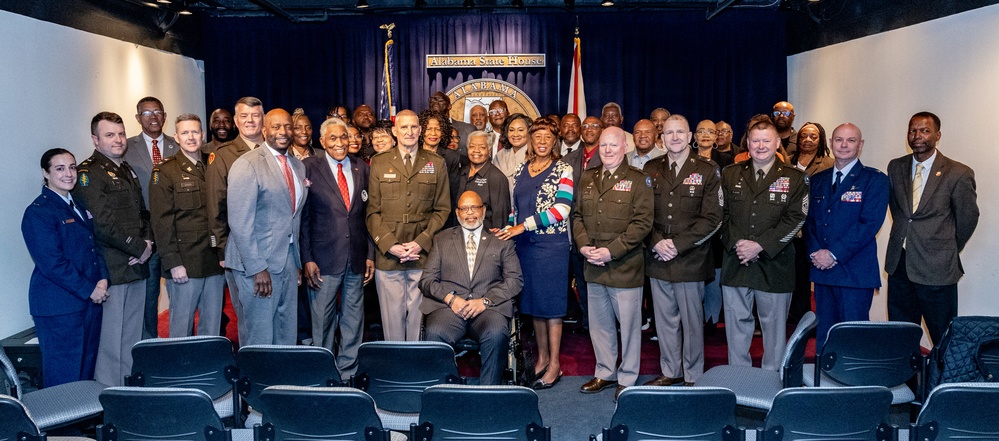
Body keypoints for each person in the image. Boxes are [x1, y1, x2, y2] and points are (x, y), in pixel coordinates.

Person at [720, 120, 808, 371]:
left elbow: (796, 218)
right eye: (755, 141)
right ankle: (739, 376)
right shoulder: (730, 174)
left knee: (774, 328)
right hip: (736, 260)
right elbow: (720, 214)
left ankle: (772, 379)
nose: (760, 146)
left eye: (766, 141)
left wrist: (759, 245)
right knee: (736, 325)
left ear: (777, 143)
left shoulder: (795, 178)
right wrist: (739, 244)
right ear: (747, 143)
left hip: (775, 262)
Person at [572, 127, 653, 400]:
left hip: (624, 265)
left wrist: (611, 251)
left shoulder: (638, 179)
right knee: (599, 324)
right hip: (593, 263)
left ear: (625, 147)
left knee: (628, 327)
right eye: (604, 145)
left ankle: (627, 376)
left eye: (613, 145)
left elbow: (642, 223)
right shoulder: (588, 176)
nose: (607, 150)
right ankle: (605, 372)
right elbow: (578, 216)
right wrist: (583, 245)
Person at [72, 112, 153, 386]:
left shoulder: (126, 169)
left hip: (137, 264)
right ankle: (108, 394)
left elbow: (143, 213)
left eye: (120, 134)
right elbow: (102, 224)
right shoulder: (88, 174)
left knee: (132, 338)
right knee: (111, 341)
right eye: (109, 135)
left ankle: (128, 390)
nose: (118, 140)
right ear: (95, 140)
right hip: (113, 268)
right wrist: (138, 247)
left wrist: (148, 244)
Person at [885, 111, 979, 345]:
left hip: (937, 269)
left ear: (938, 135)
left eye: (925, 130)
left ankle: (940, 372)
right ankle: (908, 371)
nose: (917, 135)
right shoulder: (896, 167)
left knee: (942, 337)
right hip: (900, 265)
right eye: (912, 130)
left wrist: (945, 247)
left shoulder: (958, 173)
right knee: (900, 335)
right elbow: (900, 212)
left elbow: (968, 218)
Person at [643, 115, 722, 386]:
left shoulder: (707, 169)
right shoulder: (651, 168)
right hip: (658, 257)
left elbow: (713, 218)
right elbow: (642, 213)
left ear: (690, 137)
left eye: (680, 132)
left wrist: (677, 245)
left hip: (690, 258)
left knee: (691, 322)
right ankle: (671, 371)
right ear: (662, 138)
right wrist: (656, 242)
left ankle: (693, 375)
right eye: (669, 133)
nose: (674, 137)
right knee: (664, 321)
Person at [496, 117, 573, 390]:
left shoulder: (563, 169)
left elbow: (561, 210)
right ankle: (542, 359)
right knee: (535, 307)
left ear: (555, 142)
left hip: (551, 247)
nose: (542, 141)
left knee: (551, 308)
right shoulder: (521, 169)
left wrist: (522, 226)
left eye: (547, 137)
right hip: (525, 247)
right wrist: (507, 228)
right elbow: (515, 210)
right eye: (537, 136)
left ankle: (555, 365)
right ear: (531, 140)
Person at [22, 148, 108, 387]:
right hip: (60, 306)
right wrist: (90, 289)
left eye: (72, 167)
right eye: (60, 169)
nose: (69, 174)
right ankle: (63, 415)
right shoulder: (38, 212)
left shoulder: (76, 205)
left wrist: (102, 278)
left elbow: (93, 245)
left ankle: (82, 413)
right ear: (45, 173)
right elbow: (52, 263)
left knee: (85, 371)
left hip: (87, 302)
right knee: (64, 375)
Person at [421, 191, 523, 385]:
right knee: (435, 333)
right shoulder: (441, 240)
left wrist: (485, 301)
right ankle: (445, 392)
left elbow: (515, 280)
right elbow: (427, 280)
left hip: (488, 309)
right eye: (464, 208)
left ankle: (487, 394)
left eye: (474, 207)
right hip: (450, 309)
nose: (470, 213)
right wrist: (451, 299)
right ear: (457, 212)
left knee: (496, 333)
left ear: (483, 210)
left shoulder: (501, 242)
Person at [226, 108, 308, 345]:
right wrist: (257, 268)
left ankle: (282, 371)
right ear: (264, 131)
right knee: (259, 337)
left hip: (287, 261)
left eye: (288, 126)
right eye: (276, 127)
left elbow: (293, 217)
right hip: (256, 264)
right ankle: (257, 373)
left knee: (286, 333)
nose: (283, 132)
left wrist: (296, 262)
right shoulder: (247, 164)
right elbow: (240, 223)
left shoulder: (297, 166)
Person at [366, 109, 450, 341]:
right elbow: (372, 212)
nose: (409, 132)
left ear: (420, 130)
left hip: (422, 254)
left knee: (417, 321)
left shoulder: (436, 163)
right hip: (389, 255)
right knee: (391, 323)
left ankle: (415, 362)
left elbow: (442, 209)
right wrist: (390, 245)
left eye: (414, 127)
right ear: (395, 131)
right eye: (404, 127)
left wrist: (420, 242)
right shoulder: (379, 162)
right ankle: (395, 362)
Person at [301, 117, 374, 379]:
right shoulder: (309, 167)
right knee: (322, 320)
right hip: (323, 259)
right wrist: (307, 258)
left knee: (353, 318)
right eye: (333, 138)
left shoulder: (360, 167)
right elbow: (303, 218)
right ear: (322, 141)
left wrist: (370, 254)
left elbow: (368, 215)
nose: (340, 143)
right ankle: (323, 373)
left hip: (356, 255)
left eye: (344, 137)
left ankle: (347, 373)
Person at [806, 123, 889, 350]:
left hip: (854, 273)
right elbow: (809, 221)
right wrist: (815, 253)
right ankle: (823, 373)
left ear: (860, 145)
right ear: (830, 143)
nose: (844, 145)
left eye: (851, 140)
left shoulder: (874, 180)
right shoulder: (818, 180)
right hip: (823, 272)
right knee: (824, 337)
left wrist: (833, 254)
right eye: (839, 139)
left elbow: (869, 224)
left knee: (853, 338)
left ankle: (853, 376)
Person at [148, 114, 225, 338]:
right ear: (176, 137)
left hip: (214, 260)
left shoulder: (214, 164)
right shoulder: (165, 171)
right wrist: (173, 262)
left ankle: (209, 361)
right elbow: (161, 222)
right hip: (185, 263)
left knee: (212, 326)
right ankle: (181, 362)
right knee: (181, 327)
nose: (191, 137)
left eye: (195, 132)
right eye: (185, 133)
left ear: (202, 135)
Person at [206, 96, 266, 340]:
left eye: (255, 115)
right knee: (249, 316)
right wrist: (221, 248)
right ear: (236, 121)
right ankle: (251, 360)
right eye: (244, 116)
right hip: (240, 249)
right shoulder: (223, 155)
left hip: (275, 247)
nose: (250, 121)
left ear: (263, 119)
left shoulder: (276, 149)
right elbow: (216, 205)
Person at [124, 96, 179, 340]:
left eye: (157, 112)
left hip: (177, 234)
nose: (153, 117)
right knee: (149, 295)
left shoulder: (178, 145)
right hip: (146, 235)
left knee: (182, 294)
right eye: (146, 113)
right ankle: (150, 344)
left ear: (164, 116)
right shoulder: (126, 148)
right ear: (138, 118)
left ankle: (183, 344)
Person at [788, 122, 834, 323]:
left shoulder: (828, 164)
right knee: (789, 275)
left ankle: (803, 318)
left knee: (806, 276)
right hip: (788, 227)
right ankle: (788, 314)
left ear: (821, 140)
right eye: (804, 136)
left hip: (813, 227)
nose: (808, 140)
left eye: (813, 137)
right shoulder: (787, 161)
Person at [562, 116, 604, 331]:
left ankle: (601, 324)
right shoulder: (569, 158)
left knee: (598, 281)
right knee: (580, 277)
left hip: (600, 229)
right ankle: (588, 322)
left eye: (594, 126)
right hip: (574, 228)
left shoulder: (608, 155)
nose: (589, 129)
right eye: (585, 126)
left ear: (602, 129)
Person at [455, 131, 510, 230]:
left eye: (482, 147)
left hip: (486, 234)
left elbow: (500, 218)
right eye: (472, 146)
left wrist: (493, 236)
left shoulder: (497, 177)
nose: (476, 150)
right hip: (460, 233)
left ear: (489, 151)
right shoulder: (461, 173)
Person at [493, 113, 532, 191]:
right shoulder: (499, 156)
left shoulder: (535, 155)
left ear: (529, 132)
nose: (515, 134)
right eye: (511, 130)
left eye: (520, 130)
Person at [429, 91, 474, 155]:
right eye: (433, 100)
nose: (435, 102)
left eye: (440, 100)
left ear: (449, 106)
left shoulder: (468, 130)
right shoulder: (423, 130)